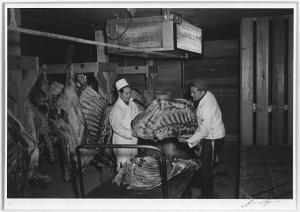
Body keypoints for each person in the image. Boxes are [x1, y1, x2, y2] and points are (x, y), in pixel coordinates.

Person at [179, 78, 225, 198]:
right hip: (209, 135)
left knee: (206, 169)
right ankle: (203, 189)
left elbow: (204, 130)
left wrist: (189, 140)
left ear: (202, 91)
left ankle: (207, 198)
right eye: (191, 91)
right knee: (204, 166)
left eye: (194, 92)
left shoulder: (207, 106)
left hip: (213, 138)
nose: (191, 94)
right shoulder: (206, 95)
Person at [109, 78, 140, 172]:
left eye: (129, 92)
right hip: (121, 141)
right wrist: (131, 133)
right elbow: (116, 128)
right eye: (126, 93)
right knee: (123, 165)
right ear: (119, 94)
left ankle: (131, 182)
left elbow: (137, 116)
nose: (129, 95)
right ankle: (121, 183)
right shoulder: (116, 109)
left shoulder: (131, 103)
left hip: (133, 139)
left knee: (133, 163)